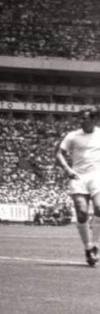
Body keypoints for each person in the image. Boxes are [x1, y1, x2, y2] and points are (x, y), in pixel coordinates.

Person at [56, 108, 100, 266]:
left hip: (97, 177)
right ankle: (88, 247)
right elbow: (59, 153)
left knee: (99, 207)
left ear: (94, 119)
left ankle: (96, 246)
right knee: (81, 212)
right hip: (78, 176)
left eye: (85, 118)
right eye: (80, 118)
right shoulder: (73, 136)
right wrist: (68, 170)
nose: (81, 121)